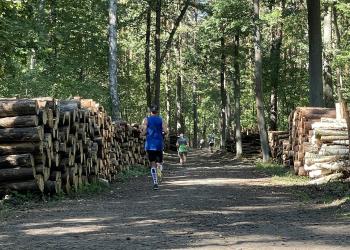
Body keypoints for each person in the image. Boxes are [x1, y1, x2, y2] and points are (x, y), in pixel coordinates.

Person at [142, 105, 167, 190]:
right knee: (159, 162)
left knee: (152, 163)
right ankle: (160, 172)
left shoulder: (146, 119)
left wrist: (144, 133)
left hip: (150, 144)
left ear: (150, 111)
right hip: (159, 143)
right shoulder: (161, 119)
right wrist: (162, 133)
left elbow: (144, 130)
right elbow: (166, 131)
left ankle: (155, 182)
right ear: (157, 111)